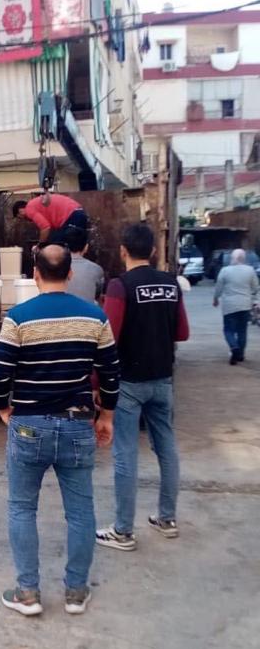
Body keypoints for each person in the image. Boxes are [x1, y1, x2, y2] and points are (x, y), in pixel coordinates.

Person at [0, 244, 119, 617]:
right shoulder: (95, 317)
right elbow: (111, 372)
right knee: (80, 511)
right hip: (78, 425)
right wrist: (107, 417)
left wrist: (3, 408)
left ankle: (28, 593)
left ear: (35, 274)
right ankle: (76, 593)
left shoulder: (18, 318)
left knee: (21, 508)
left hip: (28, 426)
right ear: (71, 274)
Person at [96, 223, 189, 552]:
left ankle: (123, 531)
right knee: (167, 449)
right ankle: (167, 518)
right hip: (163, 380)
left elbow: (107, 339)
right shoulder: (171, 283)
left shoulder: (120, 286)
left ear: (123, 250)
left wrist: (96, 382)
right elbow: (182, 333)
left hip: (129, 384)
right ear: (152, 251)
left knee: (125, 455)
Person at [213, 248, 259, 365]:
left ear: (233, 258)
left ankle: (234, 347)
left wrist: (216, 299)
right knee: (242, 331)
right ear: (243, 258)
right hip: (245, 305)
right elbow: (256, 288)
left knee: (228, 330)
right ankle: (241, 355)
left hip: (229, 306)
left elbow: (219, 287)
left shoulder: (225, 270)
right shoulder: (250, 270)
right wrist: (256, 301)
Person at [15, 192, 88, 244]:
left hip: (72, 215)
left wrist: (40, 245)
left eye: (20, 217)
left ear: (20, 210)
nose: (24, 220)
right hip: (77, 212)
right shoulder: (35, 204)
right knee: (68, 244)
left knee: (58, 246)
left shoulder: (29, 209)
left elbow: (45, 228)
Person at [64, 227, 105, 303]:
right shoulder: (96, 269)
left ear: (65, 247)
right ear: (86, 247)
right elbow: (97, 294)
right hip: (87, 310)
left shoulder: (56, 267)